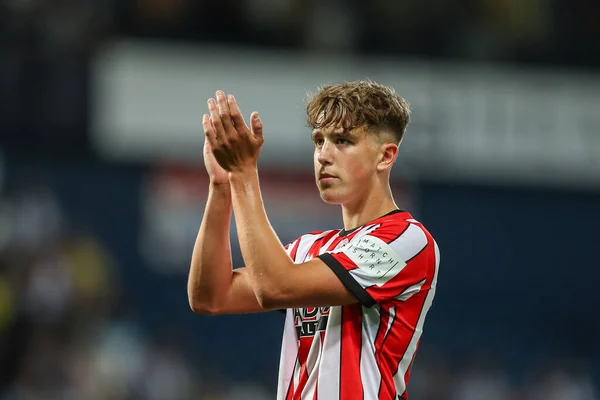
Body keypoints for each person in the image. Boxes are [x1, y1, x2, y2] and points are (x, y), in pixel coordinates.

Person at [187, 81, 440, 400]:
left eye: (343, 141)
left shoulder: (408, 239)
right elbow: (211, 296)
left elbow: (275, 287)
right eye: (318, 141)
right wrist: (222, 185)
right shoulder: (310, 248)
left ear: (385, 156)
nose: (324, 156)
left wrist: (243, 174)